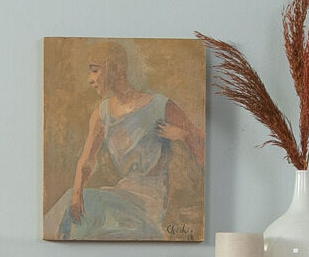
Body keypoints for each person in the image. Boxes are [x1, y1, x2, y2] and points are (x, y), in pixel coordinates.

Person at [44, 41, 205, 240]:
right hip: (122, 192)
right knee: (72, 207)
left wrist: (183, 135)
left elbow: (201, 143)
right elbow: (87, 160)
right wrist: (77, 193)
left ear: (116, 68)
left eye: (95, 70)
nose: (90, 79)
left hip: (150, 200)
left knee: (82, 216)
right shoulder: (101, 114)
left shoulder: (160, 105)